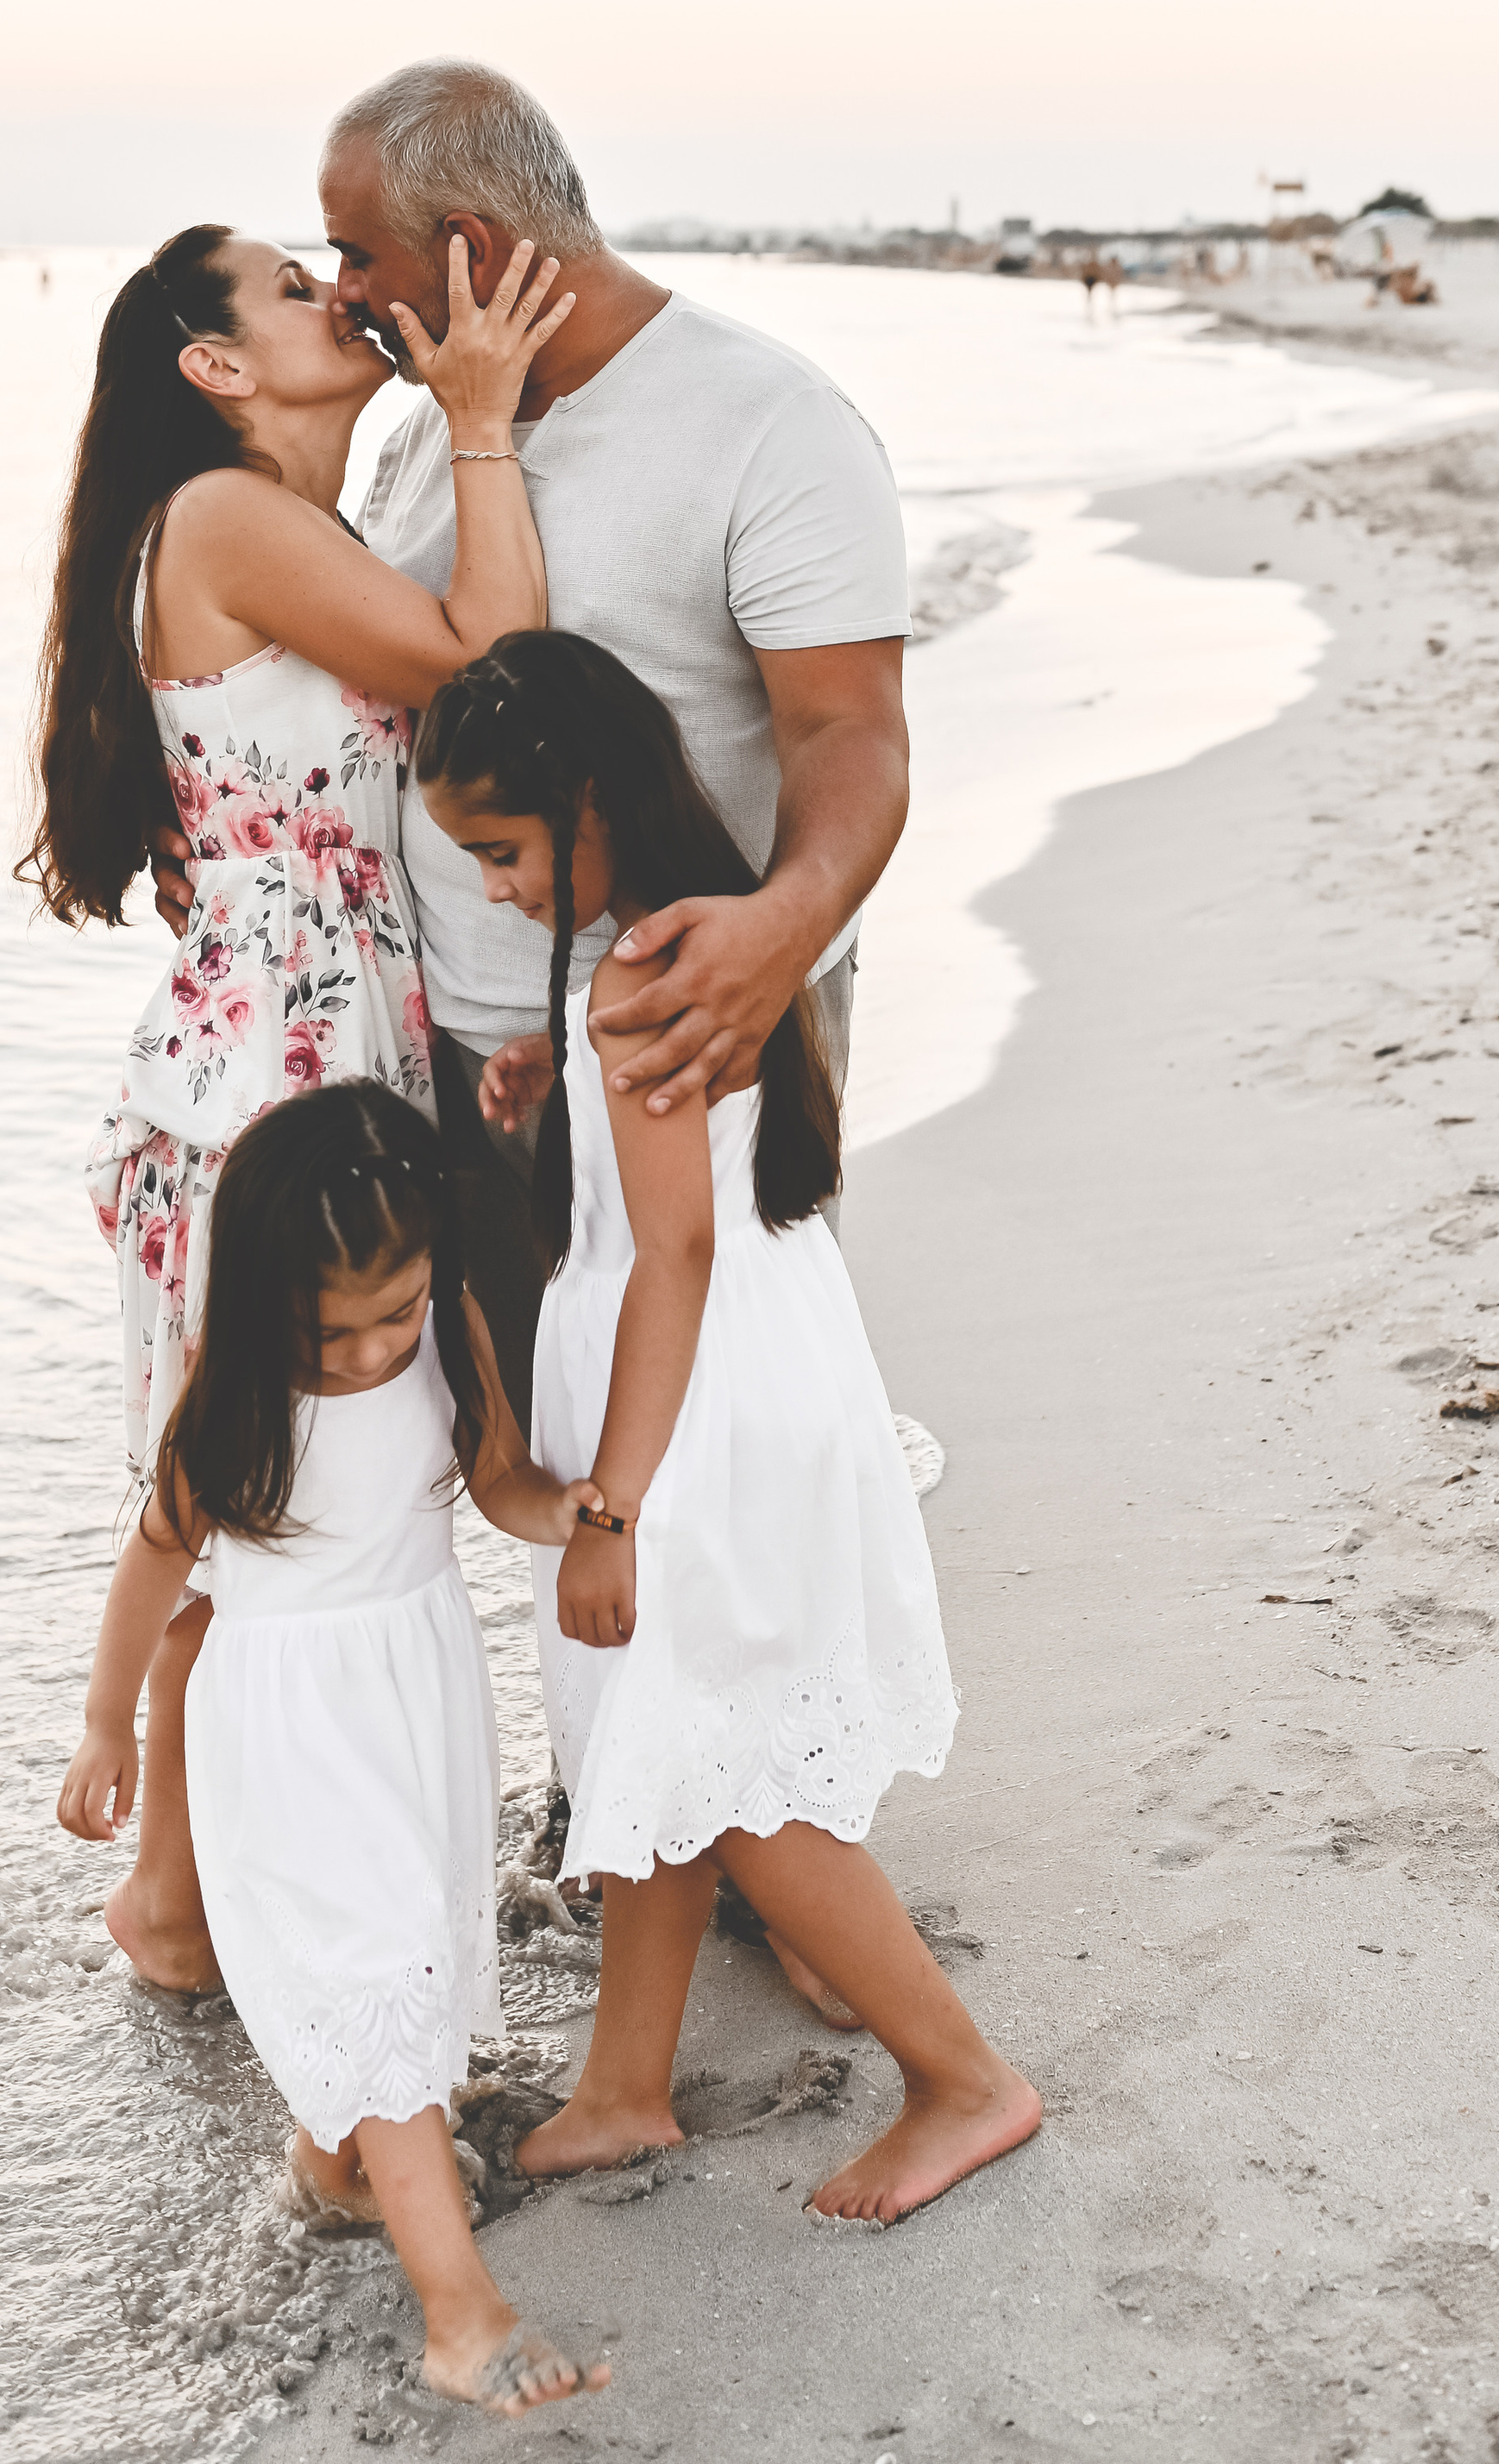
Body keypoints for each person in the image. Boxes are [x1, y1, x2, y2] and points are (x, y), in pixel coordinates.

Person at [417, 632, 1041, 2225]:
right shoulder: (703, 936)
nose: (491, 889)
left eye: (503, 852)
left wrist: (611, 1507)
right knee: (664, 1743)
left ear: (588, 804)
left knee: (744, 1779)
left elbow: (670, 1251)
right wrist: (559, 1097)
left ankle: (963, 2080)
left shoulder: (637, 974)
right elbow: (691, 1175)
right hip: (756, 1358)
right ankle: (626, 2083)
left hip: (683, 1407)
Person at [21, 217, 572, 1991]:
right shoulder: (230, 516)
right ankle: (194, 1910)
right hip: (277, 1080)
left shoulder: (279, 525)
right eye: (283, 282)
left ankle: (184, 1909)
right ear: (216, 364)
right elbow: (495, 660)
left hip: (301, 1043)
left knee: (271, 1490)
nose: (329, 286)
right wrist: (479, 408)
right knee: (254, 1490)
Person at [303, 60, 913, 1439]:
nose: (337, 289)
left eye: (355, 252)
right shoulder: (432, 434)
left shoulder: (770, 421)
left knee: (725, 1431)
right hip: (465, 1039)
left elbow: (853, 730)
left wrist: (786, 921)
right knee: (543, 1430)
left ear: (465, 250)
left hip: (693, 1028)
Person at [57, 1082, 609, 2418]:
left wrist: (574, 1510)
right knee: (372, 1972)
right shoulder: (233, 1403)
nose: (368, 1350)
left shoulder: (441, 1333)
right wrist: (106, 1721)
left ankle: (330, 2160)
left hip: (417, 1695)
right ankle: (460, 2311)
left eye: (394, 1310)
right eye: (332, 1326)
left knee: (407, 1937)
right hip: (290, 1723)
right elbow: (153, 1566)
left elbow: (495, 1479)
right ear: (259, 1301)